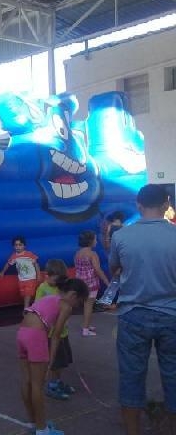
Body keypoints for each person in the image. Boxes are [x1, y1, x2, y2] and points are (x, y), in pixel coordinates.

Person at [109, 184, 176, 435]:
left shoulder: (121, 236)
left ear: (138, 205)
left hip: (132, 315)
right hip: (172, 315)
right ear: (166, 204)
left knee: (131, 378)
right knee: (173, 378)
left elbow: (115, 269)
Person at [18, 277, 88, 435]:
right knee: (38, 385)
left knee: (27, 381)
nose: (78, 306)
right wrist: (50, 360)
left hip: (22, 332)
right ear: (73, 295)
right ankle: (42, 430)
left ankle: (33, 422)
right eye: (80, 302)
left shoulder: (50, 297)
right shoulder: (66, 306)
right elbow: (56, 335)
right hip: (36, 336)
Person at [34, 260, 75, 401]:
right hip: (51, 334)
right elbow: (37, 309)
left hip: (62, 332)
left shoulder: (61, 289)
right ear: (47, 275)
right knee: (54, 361)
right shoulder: (43, 289)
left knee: (61, 361)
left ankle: (57, 381)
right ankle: (51, 385)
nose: (57, 283)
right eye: (55, 279)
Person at [74, 230, 110, 336]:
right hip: (91, 284)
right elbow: (98, 270)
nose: (96, 241)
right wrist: (106, 281)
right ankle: (85, 329)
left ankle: (86, 325)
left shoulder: (78, 253)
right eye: (95, 239)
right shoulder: (92, 254)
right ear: (90, 241)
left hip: (80, 283)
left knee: (86, 305)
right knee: (89, 306)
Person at [0, 236, 41, 309]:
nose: (18, 247)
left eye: (20, 245)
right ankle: (31, 306)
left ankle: (26, 308)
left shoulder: (29, 254)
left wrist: (38, 275)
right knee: (25, 294)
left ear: (24, 246)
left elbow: (36, 264)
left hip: (31, 278)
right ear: (13, 246)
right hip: (21, 279)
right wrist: (2, 272)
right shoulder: (14, 256)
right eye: (16, 245)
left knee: (28, 294)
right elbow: (8, 264)